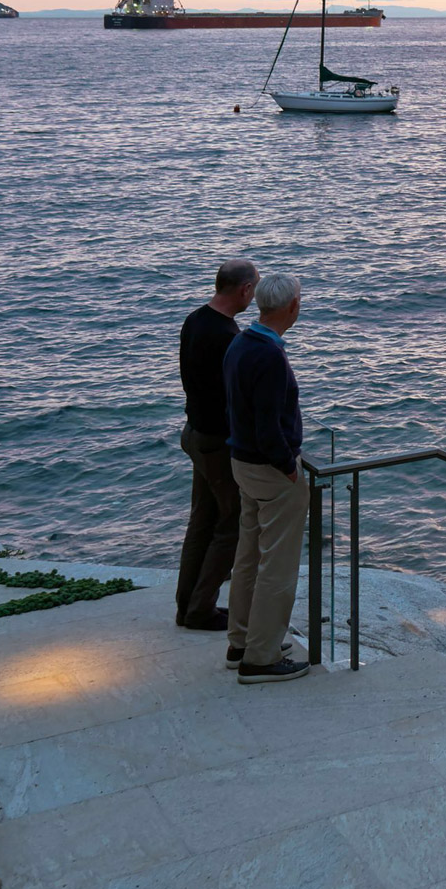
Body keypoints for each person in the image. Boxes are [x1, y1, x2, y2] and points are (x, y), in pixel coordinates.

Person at [223, 272, 311, 683]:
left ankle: (241, 640)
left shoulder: (241, 342)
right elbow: (268, 427)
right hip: (270, 470)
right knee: (277, 565)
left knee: (248, 556)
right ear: (292, 307)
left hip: (241, 463)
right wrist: (289, 468)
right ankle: (259, 657)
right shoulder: (270, 356)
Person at [175, 258, 257, 630]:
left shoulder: (195, 320)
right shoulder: (228, 337)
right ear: (244, 290)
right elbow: (238, 398)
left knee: (202, 521)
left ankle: (187, 604)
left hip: (195, 433)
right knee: (232, 524)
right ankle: (201, 609)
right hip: (217, 442)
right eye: (253, 289)